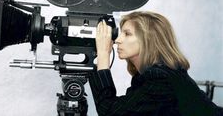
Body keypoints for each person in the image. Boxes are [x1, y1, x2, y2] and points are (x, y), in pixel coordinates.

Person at [89, 11, 223, 116]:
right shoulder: (150, 76)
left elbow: (111, 112)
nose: (117, 40)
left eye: (127, 34)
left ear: (148, 40)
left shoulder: (160, 78)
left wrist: (103, 54)